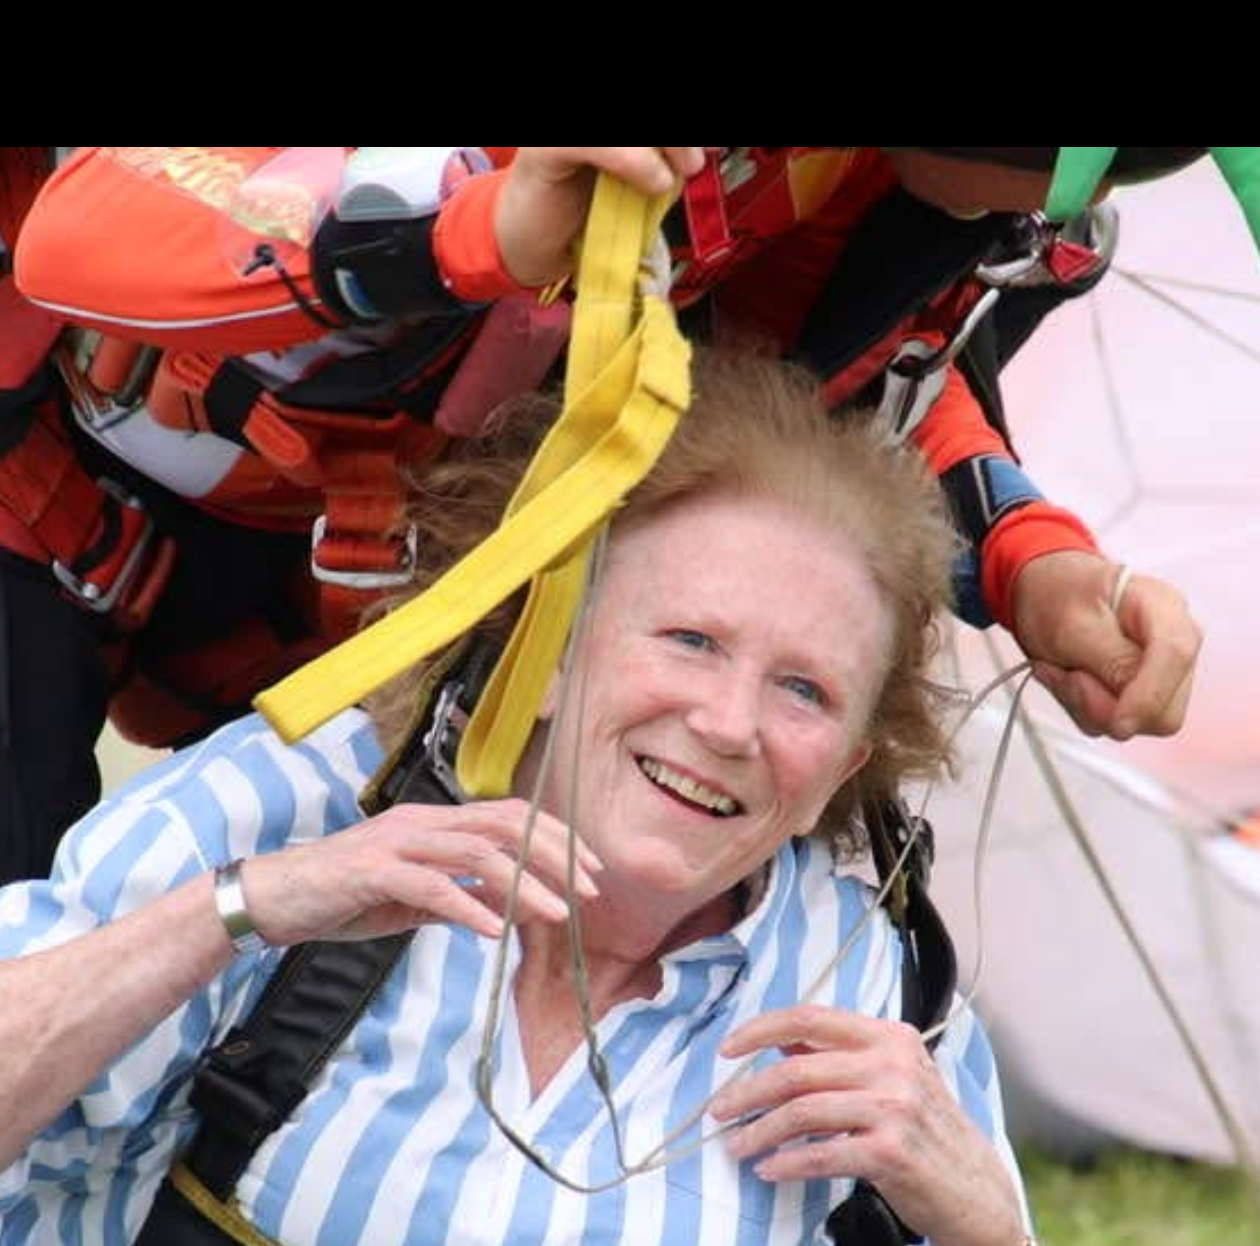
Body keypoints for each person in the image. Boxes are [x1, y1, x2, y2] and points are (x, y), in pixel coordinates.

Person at [0, 347, 1084, 1246]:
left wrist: (982, 1244)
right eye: (688, 639)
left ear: (843, 766)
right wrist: (254, 908)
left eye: (803, 690)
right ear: (551, 639)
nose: (729, 724)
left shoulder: (880, 1007)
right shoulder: (301, 801)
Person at [5, 144, 1207, 892]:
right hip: (44, 508)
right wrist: (475, 221)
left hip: (390, 613)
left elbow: (814, 379)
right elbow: (88, 222)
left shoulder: (908, 190)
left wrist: (1024, 559)